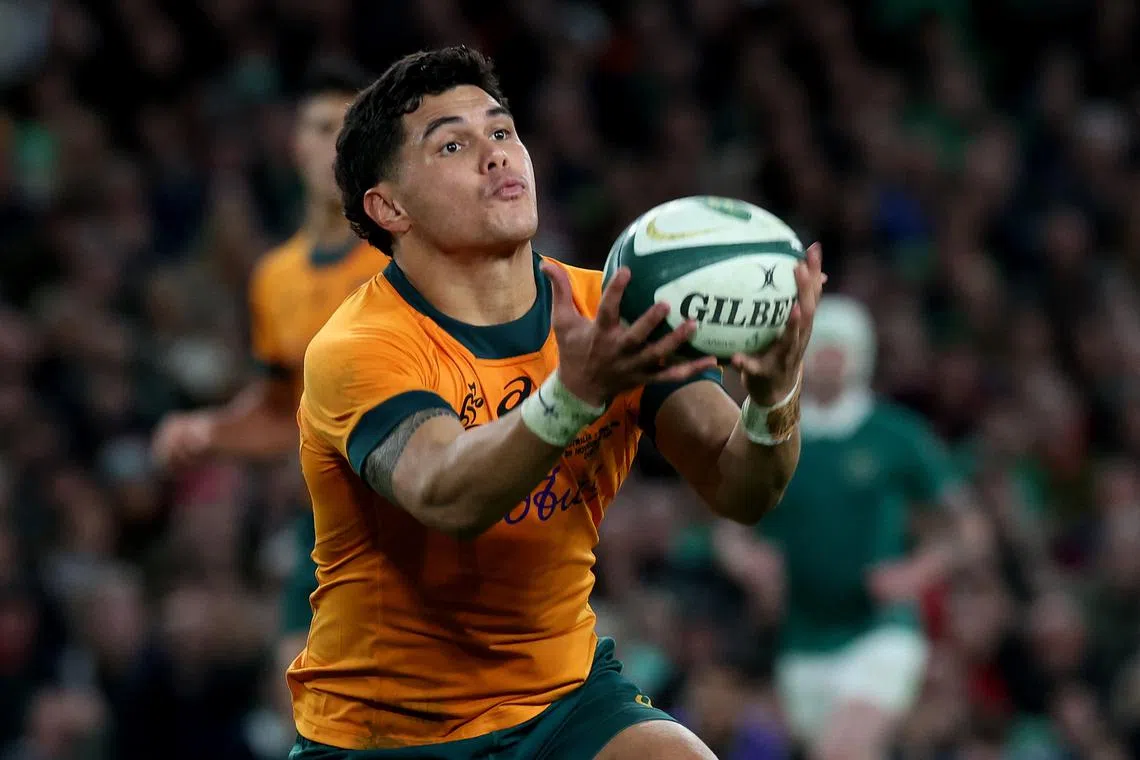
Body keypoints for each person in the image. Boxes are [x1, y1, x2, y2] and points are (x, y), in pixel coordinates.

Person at [285, 45, 825, 760]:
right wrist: (575, 393)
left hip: (562, 702)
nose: (496, 156)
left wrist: (772, 389)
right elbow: (447, 495)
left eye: (502, 132)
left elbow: (744, 486)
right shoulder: (358, 347)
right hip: (386, 734)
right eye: (453, 144)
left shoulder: (615, 309)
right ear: (390, 207)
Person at [149, 58, 384, 685]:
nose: (332, 144)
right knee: (297, 681)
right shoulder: (275, 280)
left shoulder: (407, 259)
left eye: (348, 128)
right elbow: (284, 412)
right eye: (317, 127)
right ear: (293, 145)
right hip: (329, 519)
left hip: (418, 506)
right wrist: (210, 433)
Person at [714, 295, 986, 760]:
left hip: (881, 629)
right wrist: (748, 563)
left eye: (839, 350)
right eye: (819, 349)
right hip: (802, 638)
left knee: (845, 749)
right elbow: (729, 529)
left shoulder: (895, 434)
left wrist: (917, 574)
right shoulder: (774, 438)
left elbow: (969, 528)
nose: (827, 361)